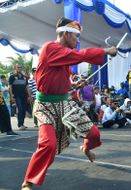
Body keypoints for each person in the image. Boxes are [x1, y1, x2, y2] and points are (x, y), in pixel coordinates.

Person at [21, 17, 118, 190]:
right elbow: (80, 56)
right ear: (66, 34)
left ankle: (86, 148)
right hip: (46, 107)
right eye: (76, 37)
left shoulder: (62, 56)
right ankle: (28, 181)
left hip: (64, 104)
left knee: (94, 134)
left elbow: (58, 79)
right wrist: (105, 50)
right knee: (48, 144)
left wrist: (73, 85)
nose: (77, 41)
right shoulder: (50, 48)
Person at [9, 64, 32, 130]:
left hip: (24, 96)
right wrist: (11, 96)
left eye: (20, 67)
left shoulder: (24, 77)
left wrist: (29, 96)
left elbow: (27, 87)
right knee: (20, 109)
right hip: (16, 95)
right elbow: (10, 87)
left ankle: (22, 123)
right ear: (15, 68)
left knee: (24, 110)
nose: (19, 68)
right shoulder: (12, 77)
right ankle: (20, 124)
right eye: (18, 67)